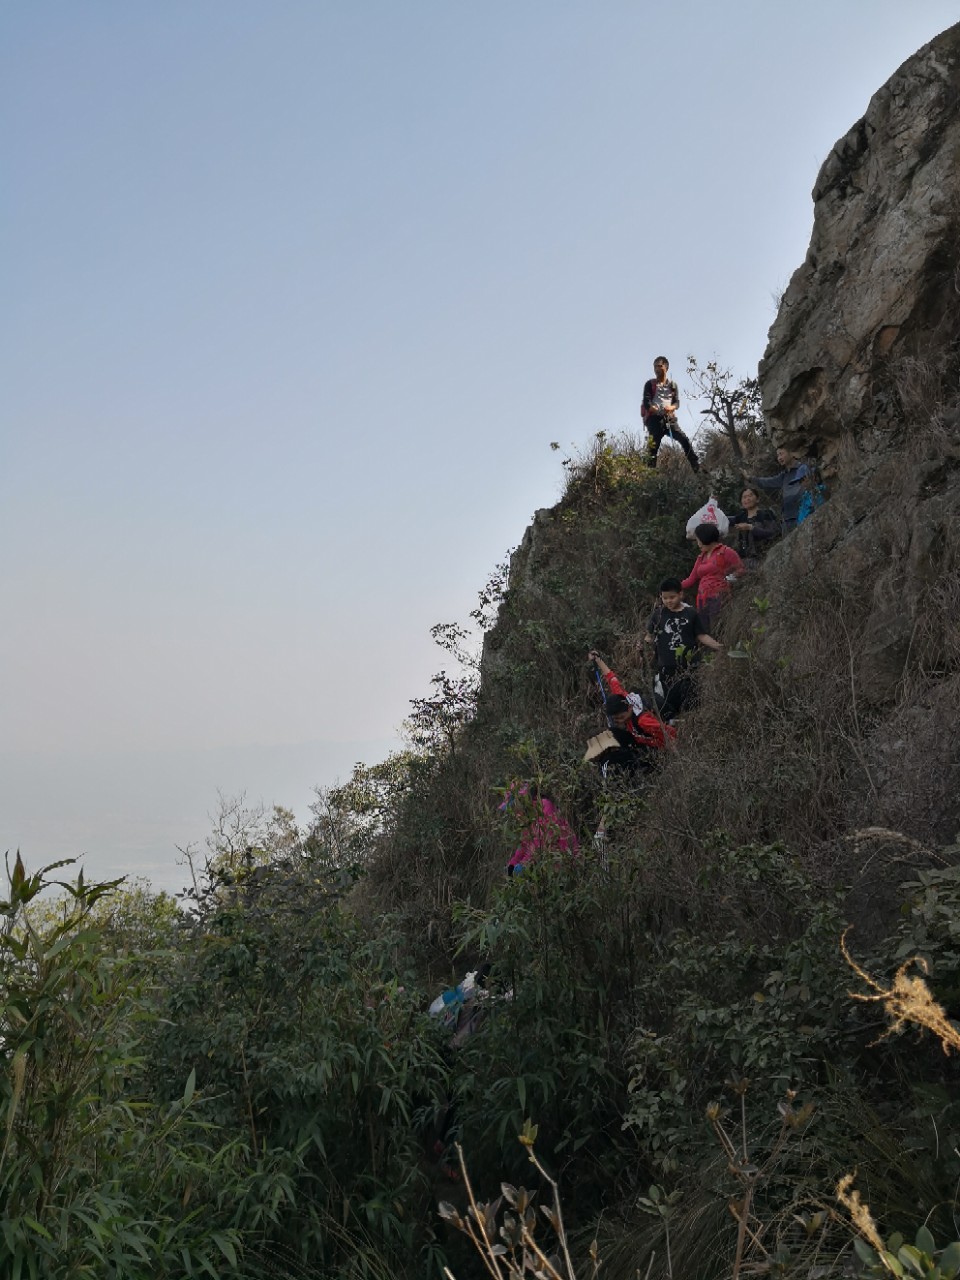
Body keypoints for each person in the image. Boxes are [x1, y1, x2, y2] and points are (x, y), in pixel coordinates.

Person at [645, 577, 723, 720]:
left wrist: (719, 647)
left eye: (672, 597)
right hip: (666, 668)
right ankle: (674, 728)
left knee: (691, 702)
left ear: (681, 594)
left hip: (689, 667)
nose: (668, 601)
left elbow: (701, 635)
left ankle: (691, 725)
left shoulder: (691, 613)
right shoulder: (658, 615)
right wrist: (643, 646)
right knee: (670, 704)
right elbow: (649, 637)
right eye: (665, 598)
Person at [586, 651, 675, 774]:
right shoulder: (622, 698)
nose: (619, 721)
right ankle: (601, 758)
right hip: (636, 736)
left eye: (621, 717)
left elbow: (670, 734)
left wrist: (672, 756)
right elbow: (611, 678)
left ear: (629, 708)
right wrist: (598, 660)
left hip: (653, 746)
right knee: (610, 732)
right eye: (616, 719)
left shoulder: (644, 721)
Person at [498, 783, 579, 876]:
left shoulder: (544, 806)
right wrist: (512, 865)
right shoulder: (526, 819)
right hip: (547, 867)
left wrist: (524, 864)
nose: (513, 812)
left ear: (521, 800)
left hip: (565, 863)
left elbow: (542, 843)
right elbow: (524, 846)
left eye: (513, 807)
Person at [642, 356, 700, 473]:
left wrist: (671, 408)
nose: (656, 369)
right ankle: (649, 475)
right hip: (655, 420)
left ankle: (696, 468)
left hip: (670, 419)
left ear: (666, 367)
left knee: (684, 439)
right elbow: (646, 402)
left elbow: (676, 403)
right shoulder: (650, 384)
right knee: (652, 448)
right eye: (655, 367)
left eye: (659, 366)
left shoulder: (673, 385)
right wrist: (655, 409)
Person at [681, 523, 744, 630]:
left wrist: (729, 578)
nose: (698, 544)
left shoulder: (726, 552)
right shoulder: (701, 557)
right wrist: (673, 586)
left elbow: (741, 569)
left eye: (698, 540)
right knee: (704, 630)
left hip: (719, 597)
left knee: (716, 627)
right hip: (702, 599)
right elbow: (691, 579)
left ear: (705, 538)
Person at [746, 448, 811, 533]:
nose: (779, 458)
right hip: (787, 518)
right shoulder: (784, 476)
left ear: (792, 453)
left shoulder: (803, 469)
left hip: (803, 513)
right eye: (778, 455)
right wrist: (750, 478)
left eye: (781, 454)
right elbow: (767, 482)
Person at [725, 487, 779, 564]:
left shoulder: (766, 514)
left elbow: (773, 533)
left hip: (763, 557)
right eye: (744, 497)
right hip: (743, 559)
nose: (747, 499)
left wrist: (751, 528)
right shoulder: (741, 517)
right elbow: (724, 519)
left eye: (750, 496)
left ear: (757, 499)